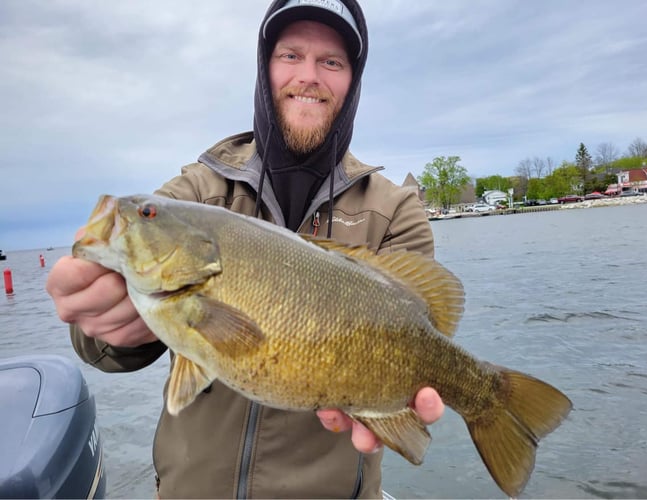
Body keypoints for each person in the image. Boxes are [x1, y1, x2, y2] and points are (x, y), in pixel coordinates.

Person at [46, 0, 445, 497]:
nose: (309, 75)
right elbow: (102, 343)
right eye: (290, 55)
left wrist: (399, 408)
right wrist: (100, 322)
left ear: (352, 81)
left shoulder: (396, 210)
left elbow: (425, 329)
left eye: (332, 61)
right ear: (264, 68)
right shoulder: (196, 193)